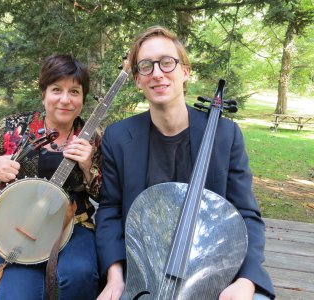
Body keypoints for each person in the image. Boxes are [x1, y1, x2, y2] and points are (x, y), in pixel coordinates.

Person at [95, 26, 275, 300]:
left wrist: (246, 282)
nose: (157, 73)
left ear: (185, 72)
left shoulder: (225, 135)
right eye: (145, 66)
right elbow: (110, 210)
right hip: (144, 274)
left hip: (215, 269)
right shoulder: (118, 137)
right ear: (137, 80)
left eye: (167, 62)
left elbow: (246, 214)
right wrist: (115, 277)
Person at [0, 54, 101, 300]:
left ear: (83, 97)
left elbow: (104, 193)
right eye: (57, 89)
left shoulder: (91, 135)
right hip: (15, 225)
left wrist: (88, 166)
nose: (65, 100)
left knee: (81, 274)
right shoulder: (16, 126)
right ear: (43, 93)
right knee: (16, 294)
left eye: (75, 92)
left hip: (72, 224)